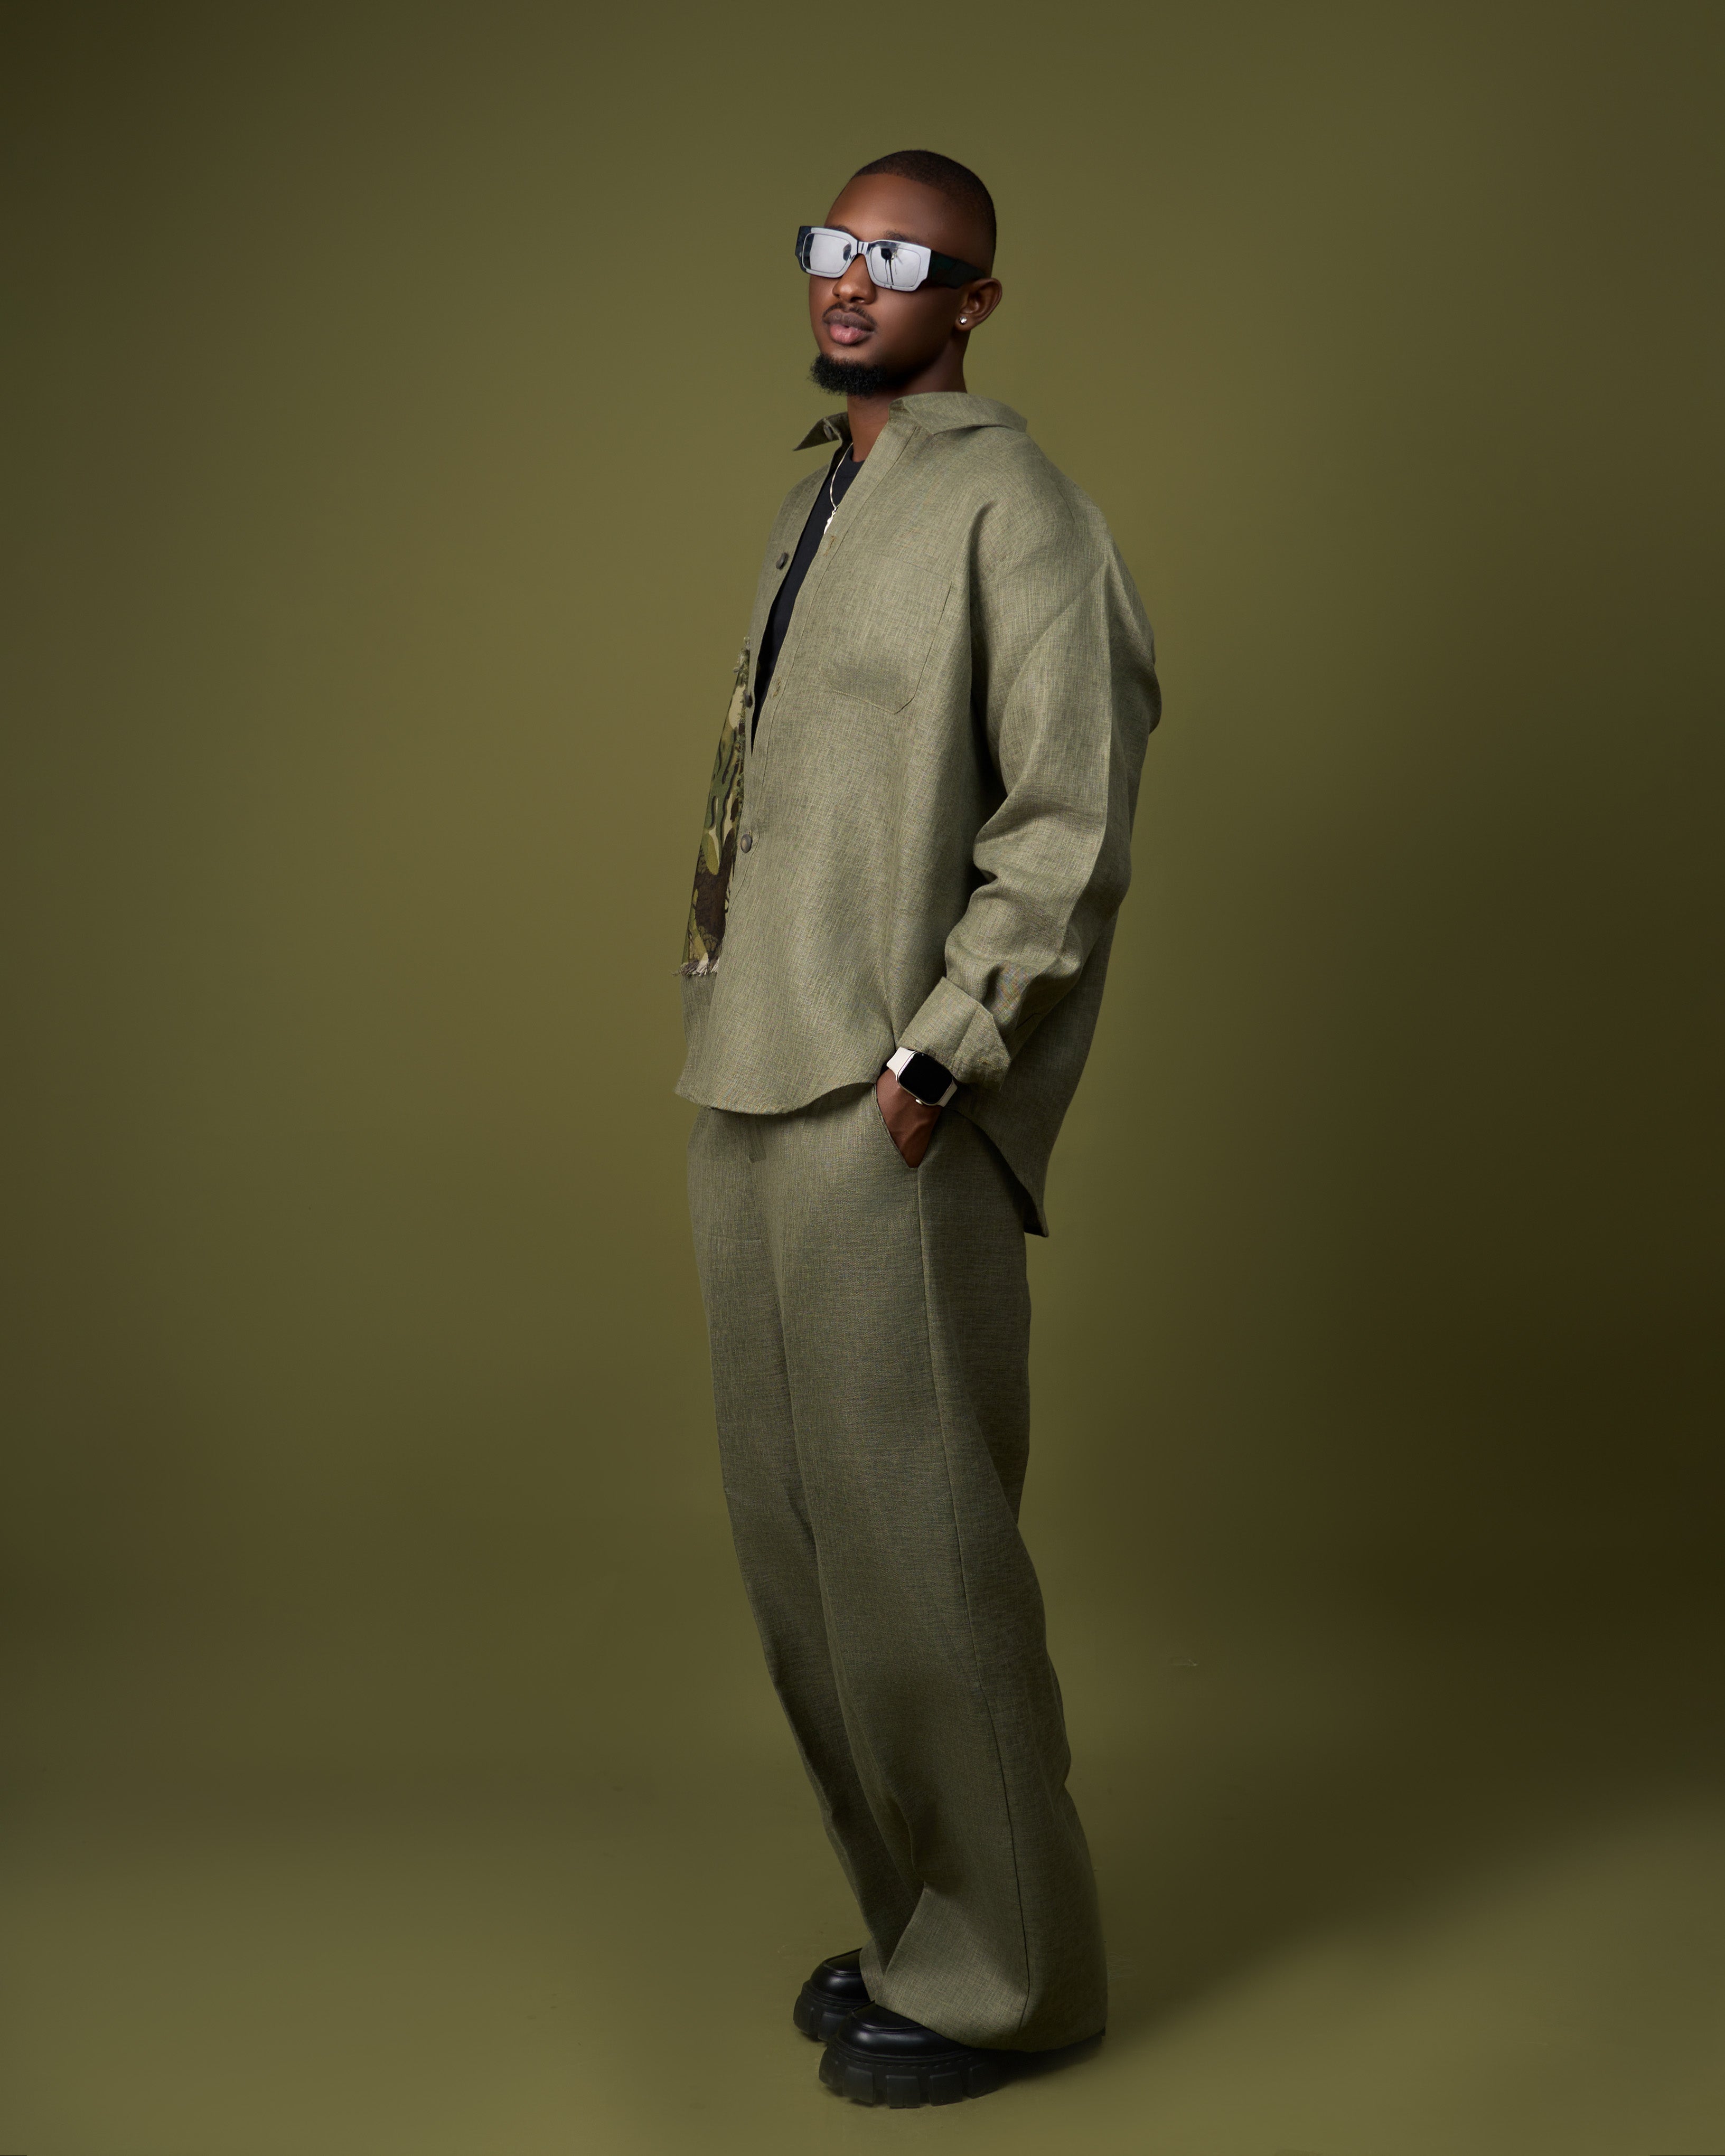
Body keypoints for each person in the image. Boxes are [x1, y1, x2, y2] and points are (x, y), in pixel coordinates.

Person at [676, 148, 1159, 2110]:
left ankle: (1020, 1979)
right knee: (803, 1560)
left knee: (922, 1556)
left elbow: (1070, 816)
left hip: (886, 1104)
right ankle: (925, 1933)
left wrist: (939, 1063)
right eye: (835, 246)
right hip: (744, 1076)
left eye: (900, 256)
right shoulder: (820, 496)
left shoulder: (1018, 513)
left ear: (973, 299)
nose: (852, 278)